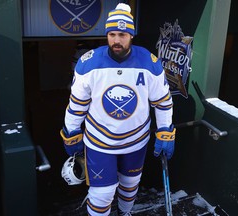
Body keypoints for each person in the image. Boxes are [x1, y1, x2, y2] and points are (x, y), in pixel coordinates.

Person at [60, 3, 176, 216]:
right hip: (99, 142)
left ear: (131, 35)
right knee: (102, 194)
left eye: (122, 34)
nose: (116, 40)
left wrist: (165, 131)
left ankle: (125, 213)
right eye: (112, 34)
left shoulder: (149, 63)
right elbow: (77, 105)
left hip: (136, 141)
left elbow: (162, 101)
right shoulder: (88, 64)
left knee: (130, 186)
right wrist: (72, 132)